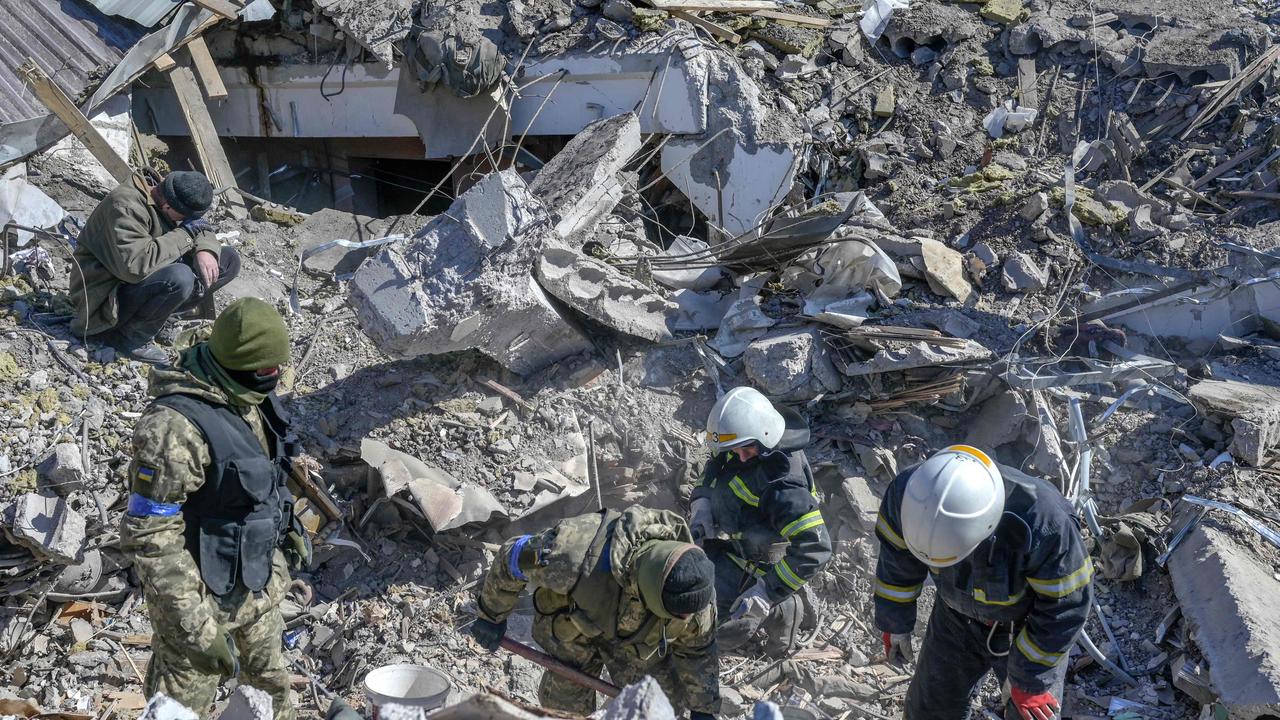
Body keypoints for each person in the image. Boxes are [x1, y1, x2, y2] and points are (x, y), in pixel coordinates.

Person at [121, 298, 307, 719]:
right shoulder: (173, 430)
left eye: (278, 368)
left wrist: (286, 523)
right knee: (180, 709)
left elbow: (261, 471)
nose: (274, 379)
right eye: (264, 372)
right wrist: (196, 630)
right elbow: (151, 536)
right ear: (235, 364)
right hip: (199, 601)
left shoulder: (245, 394)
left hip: (258, 585)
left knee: (271, 693)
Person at [873, 445, 1093, 720]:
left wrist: (1030, 677)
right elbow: (897, 563)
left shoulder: (1045, 523)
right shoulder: (911, 495)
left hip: (1027, 628)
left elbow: (1066, 607)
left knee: (1029, 714)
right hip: (955, 620)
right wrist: (895, 621)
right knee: (928, 712)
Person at [469, 506, 721, 719]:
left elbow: (698, 650)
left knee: (658, 708)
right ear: (655, 598)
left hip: (637, 644)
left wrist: (704, 708)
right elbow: (510, 558)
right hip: (574, 631)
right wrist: (491, 615)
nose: (687, 621)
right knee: (564, 709)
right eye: (679, 616)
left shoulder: (695, 596)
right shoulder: (573, 554)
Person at [691, 386, 831, 654]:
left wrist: (766, 591)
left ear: (766, 436)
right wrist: (703, 501)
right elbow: (716, 463)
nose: (740, 456)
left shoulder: (784, 487)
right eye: (735, 449)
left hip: (763, 563)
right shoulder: (746, 440)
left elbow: (816, 549)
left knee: (715, 633)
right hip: (735, 545)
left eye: (747, 450)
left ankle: (783, 608)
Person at [70, 171, 241, 363]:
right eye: (185, 217)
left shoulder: (169, 192)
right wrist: (185, 233)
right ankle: (129, 338)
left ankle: (162, 319)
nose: (186, 220)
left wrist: (206, 249)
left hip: (138, 283)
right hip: (104, 297)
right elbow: (134, 268)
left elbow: (199, 226)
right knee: (180, 277)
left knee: (228, 260)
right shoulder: (125, 206)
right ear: (168, 206)